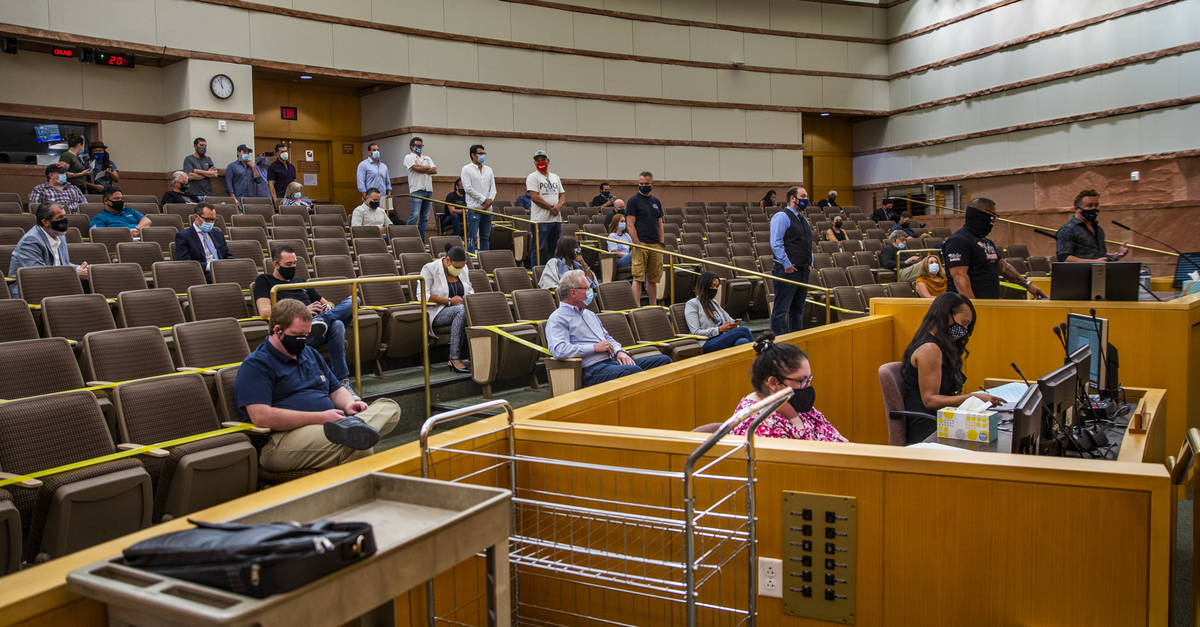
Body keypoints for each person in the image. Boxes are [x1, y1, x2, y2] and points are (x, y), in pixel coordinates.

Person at [235, 298, 401, 473]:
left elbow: (335, 389)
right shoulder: (256, 364)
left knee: (389, 407)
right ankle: (353, 431)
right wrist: (320, 418)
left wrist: (348, 404)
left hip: (330, 426)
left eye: (306, 336)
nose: (303, 341)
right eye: (298, 336)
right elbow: (261, 417)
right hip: (282, 440)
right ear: (277, 330)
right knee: (357, 445)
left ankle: (352, 428)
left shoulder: (310, 353)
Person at [899, 292, 1003, 443]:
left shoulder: (941, 346)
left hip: (943, 419)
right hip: (928, 428)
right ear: (946, 315)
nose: (965, 330)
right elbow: (930, 400)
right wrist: (972, 398)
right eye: (964, 323)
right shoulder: (929, 349)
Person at [546, 269, 671, 387]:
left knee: (663, 361)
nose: (590, 291)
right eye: (586, 288)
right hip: (588, 370)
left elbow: (606, 338)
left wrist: (619, 351)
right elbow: (559, 350)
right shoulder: (557, 318)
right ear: (573, 293)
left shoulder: (589, 314)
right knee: (633, 372)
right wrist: (594, 348)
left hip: (611, 362)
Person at [253, 245, 356, 388]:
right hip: (293, 332)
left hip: (318, 327)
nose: (292, 267)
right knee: (337, 324)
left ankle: (322, 320)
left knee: (354, 300)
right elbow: (264, 311)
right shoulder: (265, 281)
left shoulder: (300, 281)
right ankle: (342, 382)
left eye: (294, 263)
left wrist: (327, 308)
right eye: (288, 264)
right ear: (275, 264)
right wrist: (302, 311)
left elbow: (329, 303)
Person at [730, 333, 846, 441]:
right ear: (773, 383)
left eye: (809, 379)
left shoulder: (794, 403)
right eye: (802, 380)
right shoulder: (761, 428)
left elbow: (839, 439)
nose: (807, 386)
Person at [944, 199, 1046, 300]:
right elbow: (959, 276)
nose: (993, 222)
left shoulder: (987, 242)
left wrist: (1028, 285)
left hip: (989, 304)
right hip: (966, 309)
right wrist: (973, 308)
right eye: (992, 217)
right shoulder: (958, 240)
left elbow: (1003, 267)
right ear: (981, 214)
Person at [8, 203, 88, 297]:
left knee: (90, 280)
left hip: (57, 285)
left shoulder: (59, 235)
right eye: (60, 217)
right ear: (45, 222)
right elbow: (39, 274)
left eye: (65, 216)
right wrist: (73, 273)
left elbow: (63, 264)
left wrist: (81, 269)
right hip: (32, 291)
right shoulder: (30, 241)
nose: (65, 220)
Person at [419, 245, 474, 373]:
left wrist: (464, 300)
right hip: (437, 312)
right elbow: (422, 295)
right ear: (447, 260)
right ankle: (454, 358)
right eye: (457, 267)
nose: (460, 270)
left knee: (468, 310)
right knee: (462, 311)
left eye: (462, 267)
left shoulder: (463, 268)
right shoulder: (430, 269)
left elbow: (469, 289)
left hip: (460, 308)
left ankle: (478, 355)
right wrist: (449, 301)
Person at [769, 186, 814, 335]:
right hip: (786, 271)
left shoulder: (804, 220)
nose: (806, 199)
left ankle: (795, 341)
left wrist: (810, 263)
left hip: (802, 271)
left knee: (798, 310)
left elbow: (807, 243)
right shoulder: (782, 216)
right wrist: (786, 264)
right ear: (793, 198)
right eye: (803, 195)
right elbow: (776, 242)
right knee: (781, 310)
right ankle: (779, 344)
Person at [685, 272, 753, 354]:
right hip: (706, 343)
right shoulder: (692, 304)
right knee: (744, 329)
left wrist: (734, 324)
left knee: (742, 341)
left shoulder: (713, 302)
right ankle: (763, 356)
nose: (715, 289)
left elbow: (729, 319)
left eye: (717, 286)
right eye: (712, 285)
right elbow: (695, 332)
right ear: (704, 285)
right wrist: (719, 329)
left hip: (721, 337)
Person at [1055, 189, 1129, 262]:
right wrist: (1093, 262)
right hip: (1079, 273)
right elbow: (1063, 258)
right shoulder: (1068, 230)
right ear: (1077, 208)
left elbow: (1098, 256)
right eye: (1089, 205)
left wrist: (1116, 255)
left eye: (1096, 205)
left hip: (1099, 272)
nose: (1094, 208)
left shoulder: (1098, 229)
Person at [625, 171, 664, 306]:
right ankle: (637, 307)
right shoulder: (633, 201)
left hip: (655, 244)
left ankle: (653, 305)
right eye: (641, 184)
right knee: (638, 278)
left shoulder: (656, 201)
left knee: (653, 279)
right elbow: (630, 223)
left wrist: (661, 242)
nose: (643, 186)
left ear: (652, 184)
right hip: (641, 244)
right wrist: (637, 243)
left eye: (646, 184)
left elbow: (659, 223)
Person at [173, 202, 231, 282]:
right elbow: (185, 262)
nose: (211, 223)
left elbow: (228, 256)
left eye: (213, 220)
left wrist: (229, 265)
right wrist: (210, 266)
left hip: (222, 271)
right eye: (207, 219)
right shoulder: (184, 236)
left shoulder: (218, 233)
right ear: (196, 217)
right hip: (202, 274)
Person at [527, 149, 565, 267]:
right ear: (535, 163)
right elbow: (534, 196)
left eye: (543, 160)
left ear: (548, 161)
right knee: (539, 248)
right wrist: (550, 207)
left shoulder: (555, 177)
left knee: (555, 249)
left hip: (556, 219)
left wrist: (558, 207)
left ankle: (553, 271)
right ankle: (536, 271)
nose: (541, 162)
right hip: (540, 220)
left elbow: (562, 195)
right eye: (538, 161)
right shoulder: (532, 177)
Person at [460, 144, 496, 253]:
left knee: (485, 237)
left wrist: (489, 201)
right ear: (473, 155)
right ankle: (471, 260)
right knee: (472, 237)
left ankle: (486, 259)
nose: (482, 156)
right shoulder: (466, 169)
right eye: (480, 153)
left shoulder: (489, 169)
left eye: (483, 153)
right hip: (474, 208)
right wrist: (483, 200)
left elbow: (493, 188)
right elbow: (468, 188)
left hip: (488, 209)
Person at [403, 136, 437, 241]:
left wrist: (422, 168)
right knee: (415, 215)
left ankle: (421, 240)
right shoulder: (409, 157)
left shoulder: (427, 157)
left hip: (428, 190)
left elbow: (434, 170)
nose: (419, 147)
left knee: (425, 217)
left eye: (421, 146)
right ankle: (406, 238)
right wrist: (426, 168)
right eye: (417, 145)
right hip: (417, 189)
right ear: (411, 146)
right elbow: (415, 168)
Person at [356, 142, 392, 216]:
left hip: (382, 198)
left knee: (382, 218)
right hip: (370, 198)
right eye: (374, 150)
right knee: (370, 218)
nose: (376, 152)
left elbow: (387, 181)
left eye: (377, 150)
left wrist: (388, 194)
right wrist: (365, 197)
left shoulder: (384, 166)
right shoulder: (363, 165)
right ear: (369, 152)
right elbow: (360, 182)